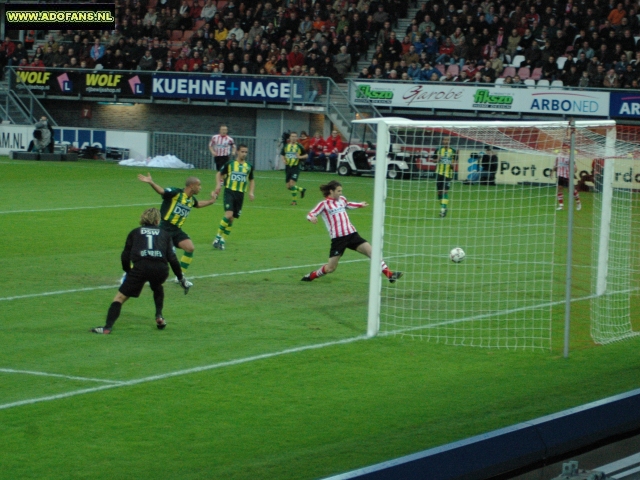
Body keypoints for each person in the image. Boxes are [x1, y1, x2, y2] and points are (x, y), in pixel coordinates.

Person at [90, 208, 191, 334]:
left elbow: (125, 256)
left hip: (141, 267)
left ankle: (107, 327)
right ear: (156, 220)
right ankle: (159, 316)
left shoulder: (135, 232)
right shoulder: (165, 234)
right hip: (160, 268)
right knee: (157, 286)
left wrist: (128, 271)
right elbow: (172, 258)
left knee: (120, 297)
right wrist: (181, 278)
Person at [301, 180, 403, 284]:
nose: (341, 193)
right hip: (338, 239)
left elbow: (348, 204)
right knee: (330, 268)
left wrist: (359, 205)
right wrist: (312, 218)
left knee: (373, 252)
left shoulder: (342, 199)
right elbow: (310, 214)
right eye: (339, 191)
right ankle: (312, 275)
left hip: (352, 234)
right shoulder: (323, 204)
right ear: (331, 191)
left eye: (341, 191)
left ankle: (390, 275)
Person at [137, 173, 217, 281]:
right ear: (192, 186)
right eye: (199, 185)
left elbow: (198, 204)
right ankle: (130, 274)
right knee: (152, 255)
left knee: (190, 248)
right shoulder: (176, 193)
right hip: (164, 228)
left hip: (176, 230)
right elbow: (162, 191)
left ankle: (180, 276)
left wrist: (211, 201)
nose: (200, 188)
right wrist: (151, 182)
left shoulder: (191, 199)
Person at [212, 144, 255, 250]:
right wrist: (218, 185)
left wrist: (251, 192)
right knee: (228, 214)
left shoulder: (249, 166)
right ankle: (217, 237)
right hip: (229, 191)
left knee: (232, 219)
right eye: (242, 152)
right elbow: (219, 174)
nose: (244, 154)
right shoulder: (230, 164)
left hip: (240, 194)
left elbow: (252, 180)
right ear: (238, 152)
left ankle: (222, 240)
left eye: (246, 152)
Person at [281, 132, 307, 206]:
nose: (294, 138)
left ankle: (294, 201)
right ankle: (302, 190)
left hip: (295, 167)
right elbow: (282, 154)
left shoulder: (299, 146)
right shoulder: (286, 146)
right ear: (290, 137)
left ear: (297, 138)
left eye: (295, 136)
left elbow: (306, 155)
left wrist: (300, 157)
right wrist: (284, 160)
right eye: (292, 136)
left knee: (292, 184)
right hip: (288, 167)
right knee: (288, 187)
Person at [553, 146, 582, 211]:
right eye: (563, 148)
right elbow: (555, 166)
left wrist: (573, 169)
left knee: (571, 190)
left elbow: (575, 169)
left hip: (568, 175)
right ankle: (561, 206)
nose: (564, 149)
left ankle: (578, 202)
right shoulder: (558, 156)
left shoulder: (571, 157)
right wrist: (553, 170)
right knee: (559, 189)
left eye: (566, 148)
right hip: (560, 175)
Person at [434, 136, 457, 217]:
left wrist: (452, 165)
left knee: (445, 191)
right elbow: (434, 160)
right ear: (442, 141)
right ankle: (444, 207)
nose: (446, 141)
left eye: (447, 140)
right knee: (439, 192)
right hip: (439, 173)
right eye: (445, 140)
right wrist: (438, 159)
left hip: (448, 174)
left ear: (450, 141)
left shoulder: (453, 151)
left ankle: (443, 210)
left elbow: (455, 163)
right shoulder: (438, 150)